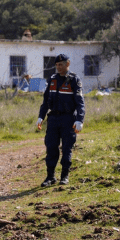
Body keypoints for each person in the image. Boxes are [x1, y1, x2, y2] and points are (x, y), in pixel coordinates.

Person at [35, 54, 84, 187]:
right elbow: (45, 101)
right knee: (51, 147)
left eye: (61, 65)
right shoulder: (52, 79)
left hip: (68, 119)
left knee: (67, 148)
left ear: (68, 64)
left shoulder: (74, 79)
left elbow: (80, 102)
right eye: (56, 65)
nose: (58, 67)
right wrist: (41, 116)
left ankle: (65, 175)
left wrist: (80, 120)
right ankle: (50, 177)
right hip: (53, 119)